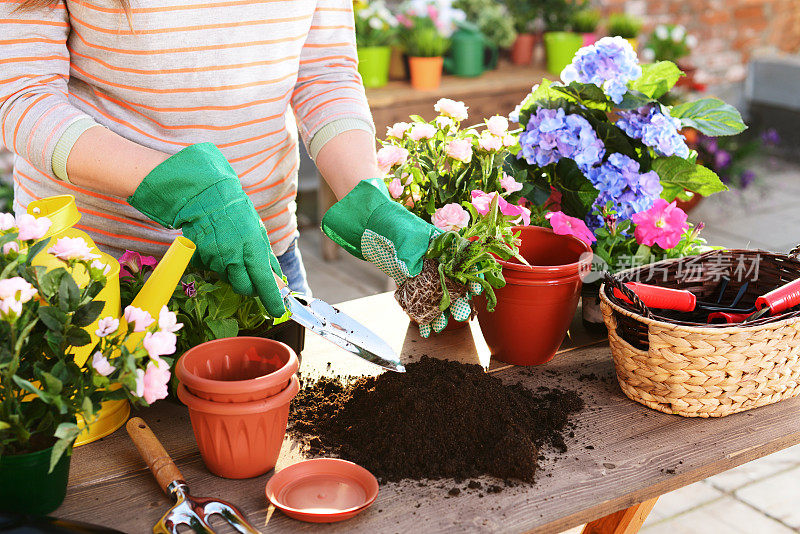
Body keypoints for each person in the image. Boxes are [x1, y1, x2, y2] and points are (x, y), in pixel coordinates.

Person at [1, 0, 472, 336]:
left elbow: (323, 70)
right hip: (93, 272)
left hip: (261, 266)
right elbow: (24, 98)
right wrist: (174, 185)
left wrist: (367, 195)